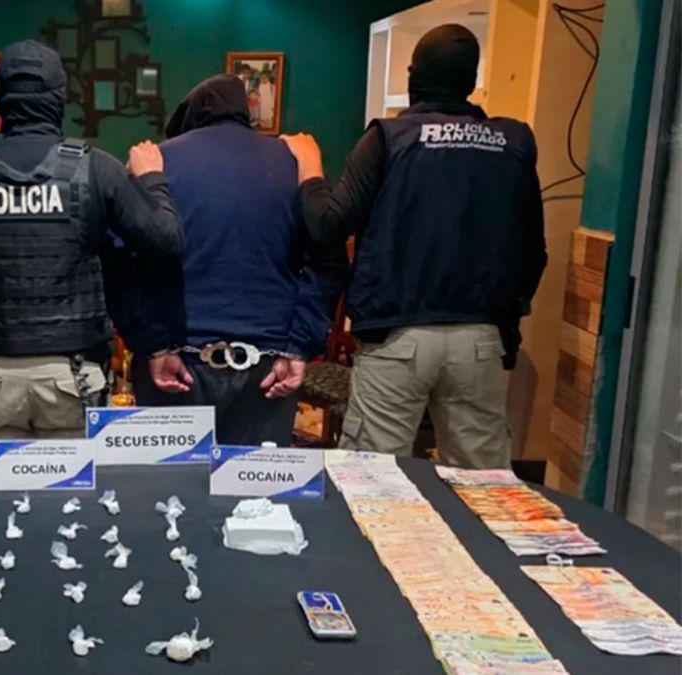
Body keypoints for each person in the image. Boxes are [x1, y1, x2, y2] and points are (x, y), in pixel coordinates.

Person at [281, 24, 546, 469]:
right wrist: (509, 323)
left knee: (374, 480)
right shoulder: (513, 143)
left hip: (396, 338)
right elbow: (534, 252)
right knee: (484, 485)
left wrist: (310, 168)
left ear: (412, 76)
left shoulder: (388, 138)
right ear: (471, 81)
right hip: (480, 340)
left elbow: (329, 224)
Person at [0, 39, 184, 449]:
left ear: (0, 100)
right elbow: (165, 242)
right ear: (60, 98)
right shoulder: (96, 170)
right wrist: (151, 180)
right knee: (70, 491)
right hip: (72, 377)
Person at [138, 74, 347, 445]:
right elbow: (327, 262)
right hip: (268, 363)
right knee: (256, 481)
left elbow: (124, 266)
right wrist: (300, 345)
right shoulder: (297, 164)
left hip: (177, 356)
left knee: (172, 480)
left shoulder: (154, 163)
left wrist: (153, 343)